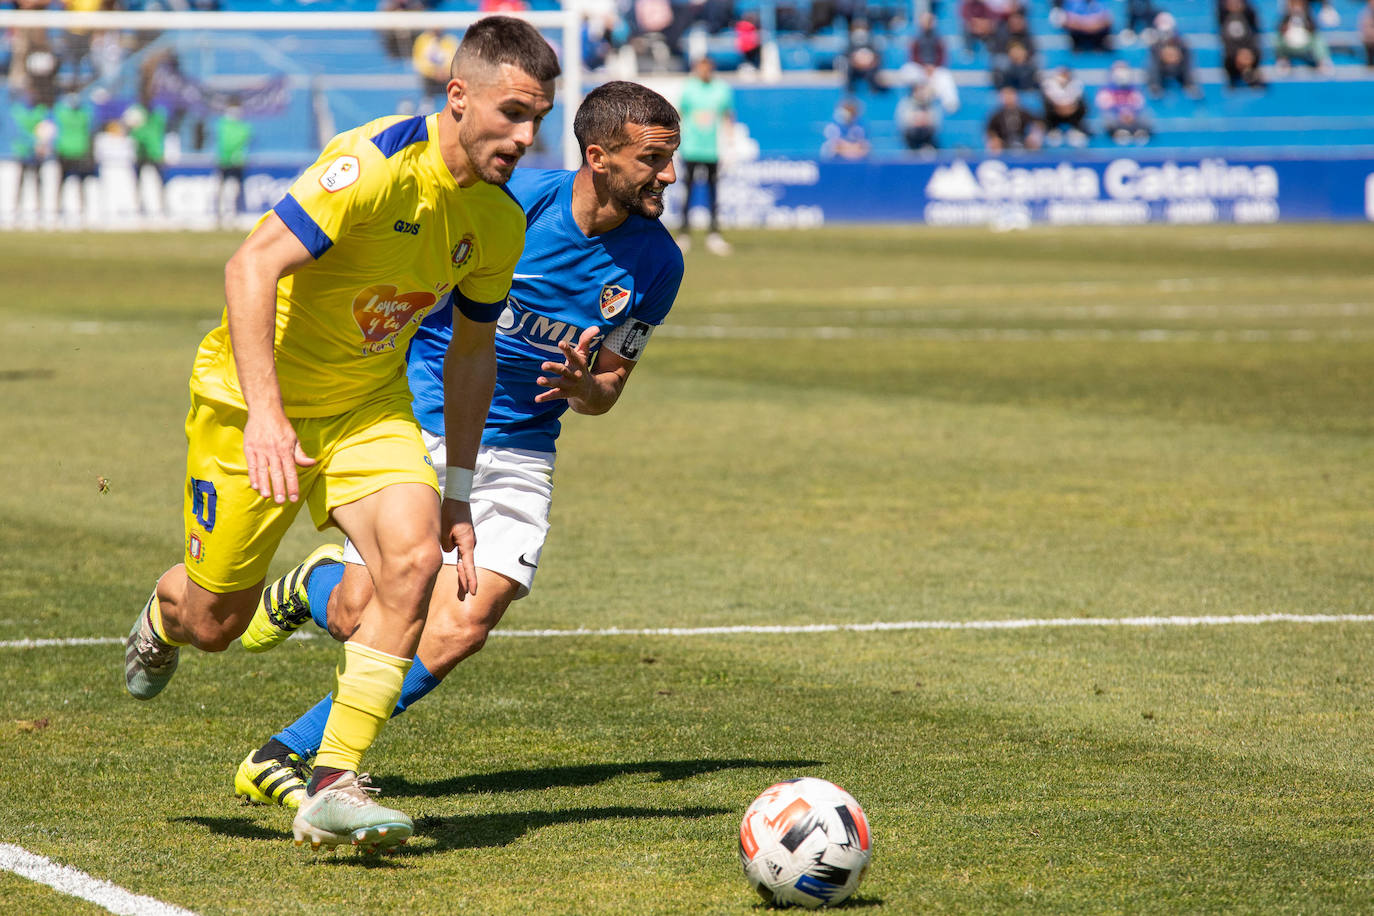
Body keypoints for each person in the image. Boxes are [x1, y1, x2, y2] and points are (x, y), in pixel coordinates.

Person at [121, 15, 560, 855]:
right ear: (458, 96)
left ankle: (333, 782)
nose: (525, 134)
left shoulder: (498, 222)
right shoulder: (372, 164)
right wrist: (269, 416)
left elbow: (473, 350)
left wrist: (460, 491)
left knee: (415, 557)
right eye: (511, 112)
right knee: (215, 621)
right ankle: (163, 615)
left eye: (537, 117)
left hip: (368, 405)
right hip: (252, 403)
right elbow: (249, 267)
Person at [230, 81, 684, 815]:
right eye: (652, 159)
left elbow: (610, 385)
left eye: (671, 158)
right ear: (597, 157)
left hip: (523, 447)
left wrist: (584, 387)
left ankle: (286, 754)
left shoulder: (659, 265)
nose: (667, 175)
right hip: (418, 417)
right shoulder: (508, 206)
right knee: (355, 614)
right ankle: (308, 589)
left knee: (461, 623)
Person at [675, 55, 734, 256]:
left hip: (712, 150)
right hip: (691, 148)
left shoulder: (721, 89)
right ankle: (684, 234)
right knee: (688, 192)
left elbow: (727, 116)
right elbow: (680, 114)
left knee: (713, 193)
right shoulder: (689, 88)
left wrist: (730, 144)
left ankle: (714, 234)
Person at [1146, 12, 1204, 99]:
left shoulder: (1183, 45)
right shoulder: (1155, 46)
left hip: (1179, 71)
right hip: (1162, 72)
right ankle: (1155, 86)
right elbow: (1152, 66)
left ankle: (1189, 85)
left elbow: (1188, 65)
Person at [214, 100, 253, 224]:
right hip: (224, 162)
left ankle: (233, 214)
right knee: (221, 189)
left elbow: (245, 141)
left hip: (237, 163)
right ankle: (220, 215)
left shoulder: (243, 127)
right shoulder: (223, 125)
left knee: (234, 189)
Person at [1095, 59, 1151, 144]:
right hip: (1116, 117)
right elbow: (1104, 105)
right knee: (1107, 118)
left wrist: (1130, 113)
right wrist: (1120, 113)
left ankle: (1139, 133)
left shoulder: (1134, 88)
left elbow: (1139, 104)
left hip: (1132, 117)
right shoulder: (1106, 89)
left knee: (1146, 115)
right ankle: (1117, 133)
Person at [1275, 0, 1334, 73]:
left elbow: (1314, 29)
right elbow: (1279, 29)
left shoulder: (1308, 16)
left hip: (1305, 44)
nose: (1297, 6)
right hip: (1289, 44)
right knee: (1277, 38)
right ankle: (1283, 61)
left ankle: (1323, 63)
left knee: (1318, 38)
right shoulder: (1285, 18)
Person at [1039, 65, 1090, 147]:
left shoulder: (1076, 84)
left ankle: (1075, 130)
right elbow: (1047, 103)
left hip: (1073, 115)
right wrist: (1059, 107)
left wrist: (1071, 108)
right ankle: (1053, 130)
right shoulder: (1049, 85)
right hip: (1054, 116)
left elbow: (1082, 105)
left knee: (1082, 109)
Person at [1219, 0, 1265, 88]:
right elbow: (1227, 43)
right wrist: (1237, 54)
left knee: (1249, 55)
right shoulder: (1225, 18)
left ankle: (1251, 76)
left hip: (1248, 51)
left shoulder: (1247, 18)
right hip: (1232, 54)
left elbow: (1252, 37)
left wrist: (1247, 53)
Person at [984, 84, 1042, 152]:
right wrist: (994, 138)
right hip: (1004, 143)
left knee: (1033, 142)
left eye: (1010, 95)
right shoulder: (996, 115)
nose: (1008, 98)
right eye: (1005, 95)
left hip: (1022, 141)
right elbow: (990, 130)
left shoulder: (1023, 112)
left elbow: (1038, 123)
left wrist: (1033, 135)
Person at [895, 81, 943, 151]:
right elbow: (902, 122)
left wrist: (926, 120)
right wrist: (915, 120)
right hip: (911, 134)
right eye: (918, 90)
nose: (921, 93)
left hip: (928, 134)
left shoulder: (931, 104)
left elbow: (937, 122)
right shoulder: (906, 103)